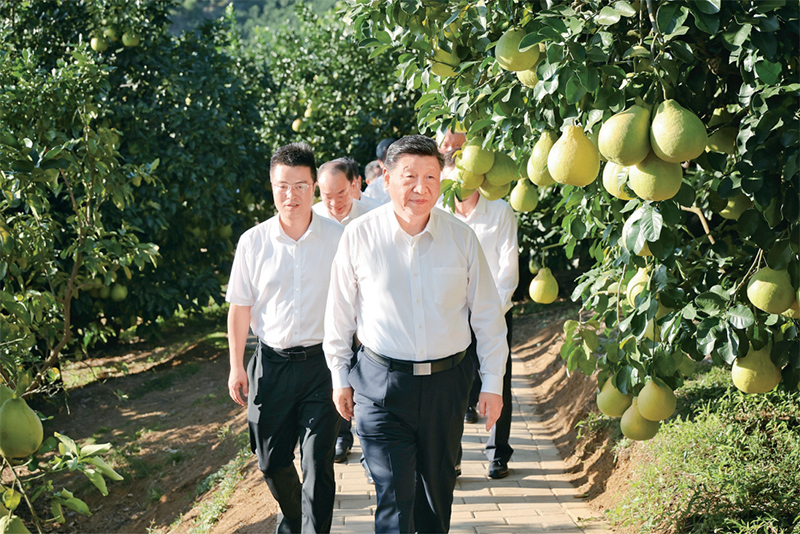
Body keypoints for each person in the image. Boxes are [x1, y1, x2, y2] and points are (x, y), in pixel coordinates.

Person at [324, 135, 508, 533]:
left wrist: (492, 383)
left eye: (431, 177)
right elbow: (338, 317)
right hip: (381, 387)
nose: (420, 188)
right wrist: (340, 377)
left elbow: (489, 317)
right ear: (385, 179)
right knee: (393, 497)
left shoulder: (461, 238)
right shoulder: (359, 237)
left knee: (435, 499)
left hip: (447, 386)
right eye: (409, 177)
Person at [226, 143, 344, 534]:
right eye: (282, 186)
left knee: (318, 463)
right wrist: (235, 366)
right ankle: (293, 516)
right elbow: (240, 308)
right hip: (271, 364)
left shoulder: (339, 238)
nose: (290, 195)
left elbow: (356, 302)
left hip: (321, 367)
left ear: (313, 187)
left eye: (299, 186)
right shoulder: (253, 242)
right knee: (270, 461)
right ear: (271, 187)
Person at [438, 130, 519, 479]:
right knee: (453, 387)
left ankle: (498, 454)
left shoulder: (500, 212)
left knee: (497, 379)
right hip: (452, 313)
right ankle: (452, 456)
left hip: (494, 312)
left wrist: (488, 314)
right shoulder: (441, 214)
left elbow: (508, 269)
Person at [313, 158, 374, 226]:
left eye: (341, 194)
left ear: (353, 185)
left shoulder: (371, 217)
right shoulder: (312, 218)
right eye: (328, 196)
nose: (335, 203)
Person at [361, 138, 395, 205]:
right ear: (380, 163)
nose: (394, 162)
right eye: (388, 159)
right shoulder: (372, 191)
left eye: (397, 157)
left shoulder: (417, 179)